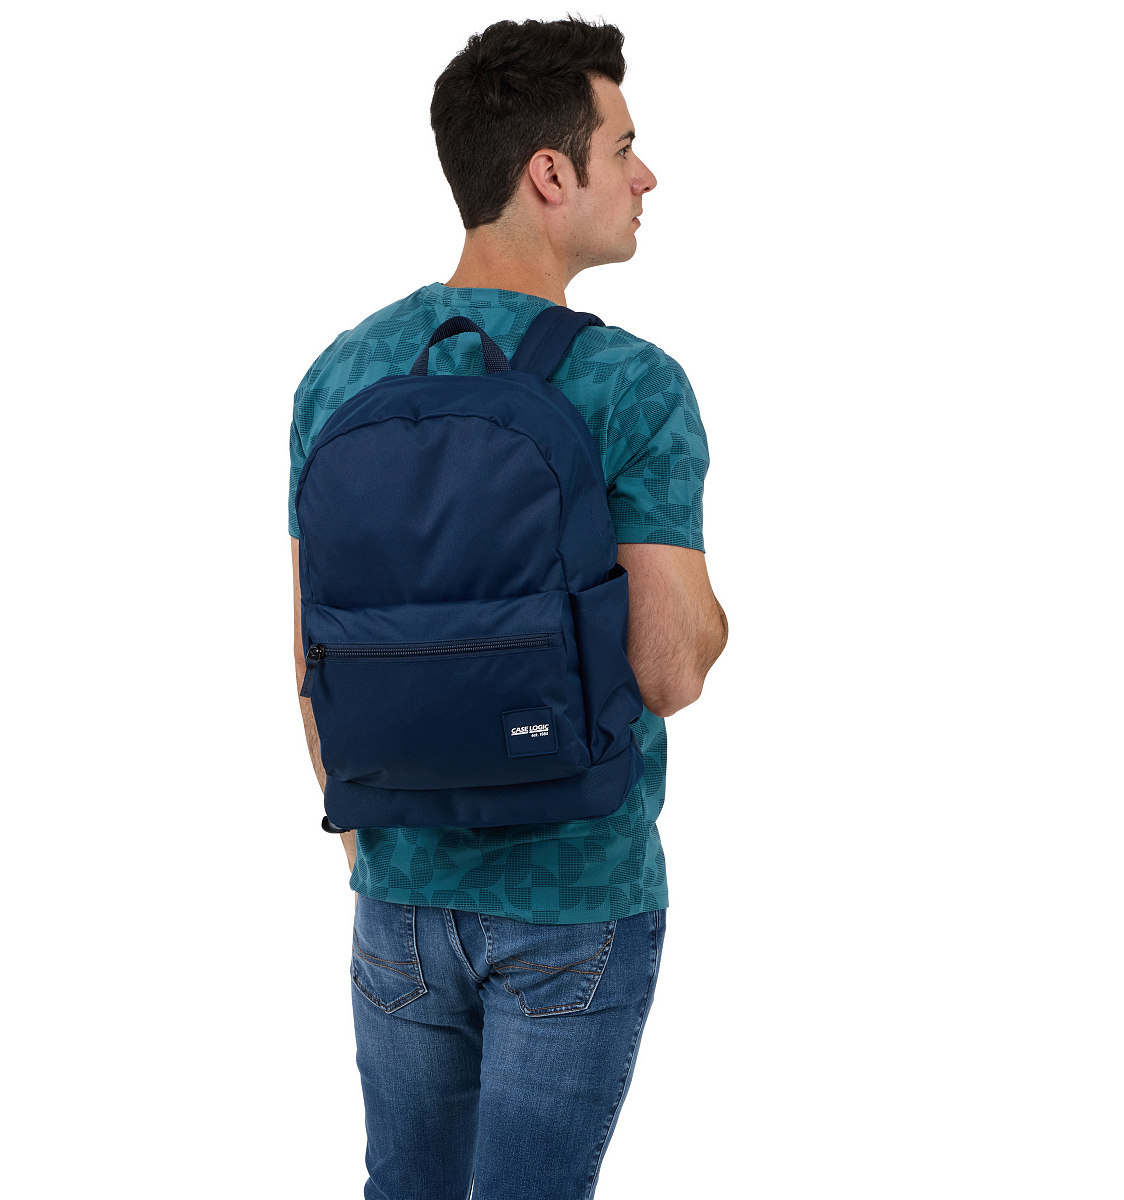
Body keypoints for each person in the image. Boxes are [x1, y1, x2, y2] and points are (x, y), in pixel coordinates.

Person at [289, 17, 727, 1199]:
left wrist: (377, 850)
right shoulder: (633, 383)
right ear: (549, 173)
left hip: (396, 893)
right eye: (623, 148)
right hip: (574, 898)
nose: (646, 176)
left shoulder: (342, 373)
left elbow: (311, 653)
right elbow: (669, 670)